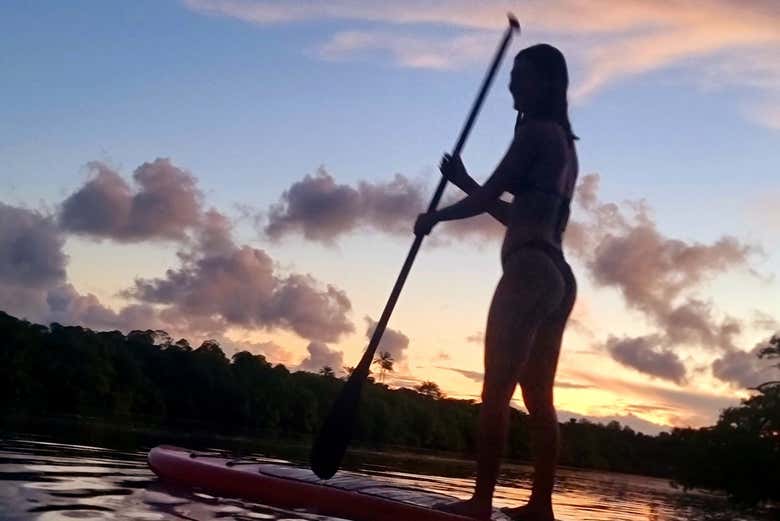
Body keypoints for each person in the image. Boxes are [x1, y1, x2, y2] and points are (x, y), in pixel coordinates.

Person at [414, 44, 579, 521]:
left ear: (545, 83)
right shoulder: (565, 146)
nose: (511, 84)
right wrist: (465, 184)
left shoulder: (534, 131)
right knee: (538, 399)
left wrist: (435, 217)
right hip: (558, 276)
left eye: (520, 76)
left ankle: (480, 503)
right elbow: (514, 212)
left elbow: (491, 193)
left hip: (527, 272)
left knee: (495, 392)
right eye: (510, 75)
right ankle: (540, 508)